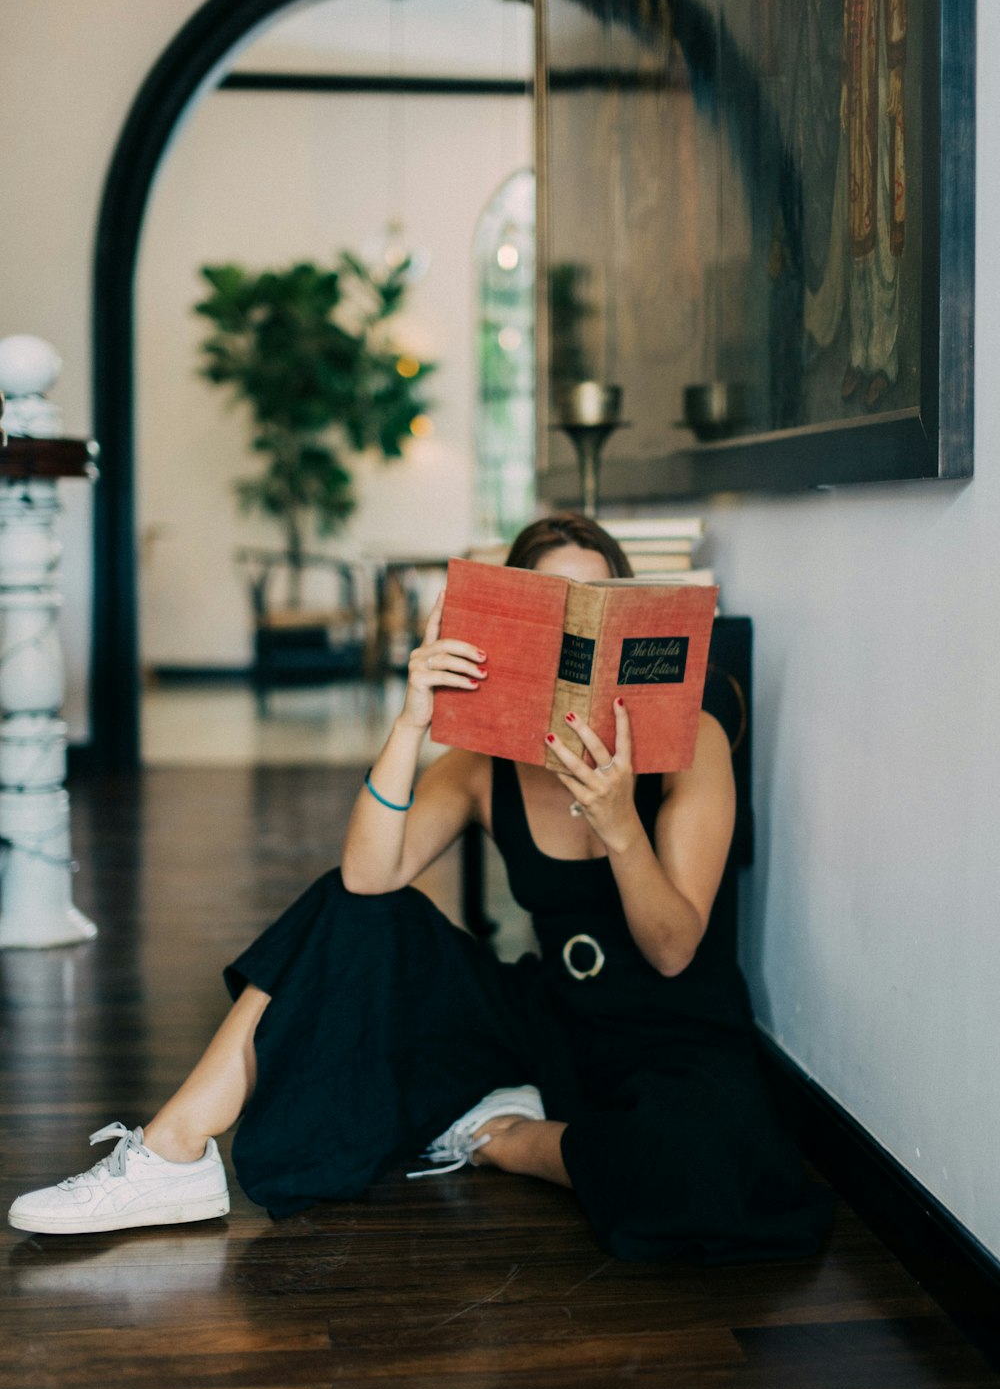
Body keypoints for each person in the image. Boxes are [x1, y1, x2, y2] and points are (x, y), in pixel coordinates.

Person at [8, 514, 832, 1263]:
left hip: (675, 1034)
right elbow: (368, 877)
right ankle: (172, 1151)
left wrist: (620, 824)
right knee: (356, 911)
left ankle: (504, 1136)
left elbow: (673, 947)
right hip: (552, 1017)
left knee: (705, 1173)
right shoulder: (485, 766)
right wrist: (411, 721)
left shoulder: (696, 743)